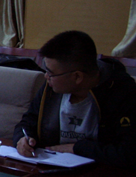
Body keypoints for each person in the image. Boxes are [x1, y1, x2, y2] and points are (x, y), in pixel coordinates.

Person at [14, 30, 136, 168]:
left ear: (77, 77)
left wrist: (77, 148)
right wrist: (23, 139)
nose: (46, 77)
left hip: (101, 174)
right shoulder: (51, 87)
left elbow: (128, 153)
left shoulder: (122, 92)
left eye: (50, 73)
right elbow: (27, 122)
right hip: (50, 168)